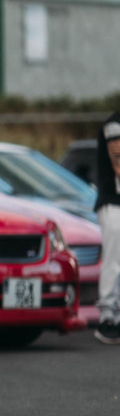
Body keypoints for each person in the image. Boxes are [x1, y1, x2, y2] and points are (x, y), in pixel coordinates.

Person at [96, 112, 120, 344]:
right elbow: (118, 160)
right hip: (113, 203)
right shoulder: (115, 124)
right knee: (114, 261)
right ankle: (107, 318)